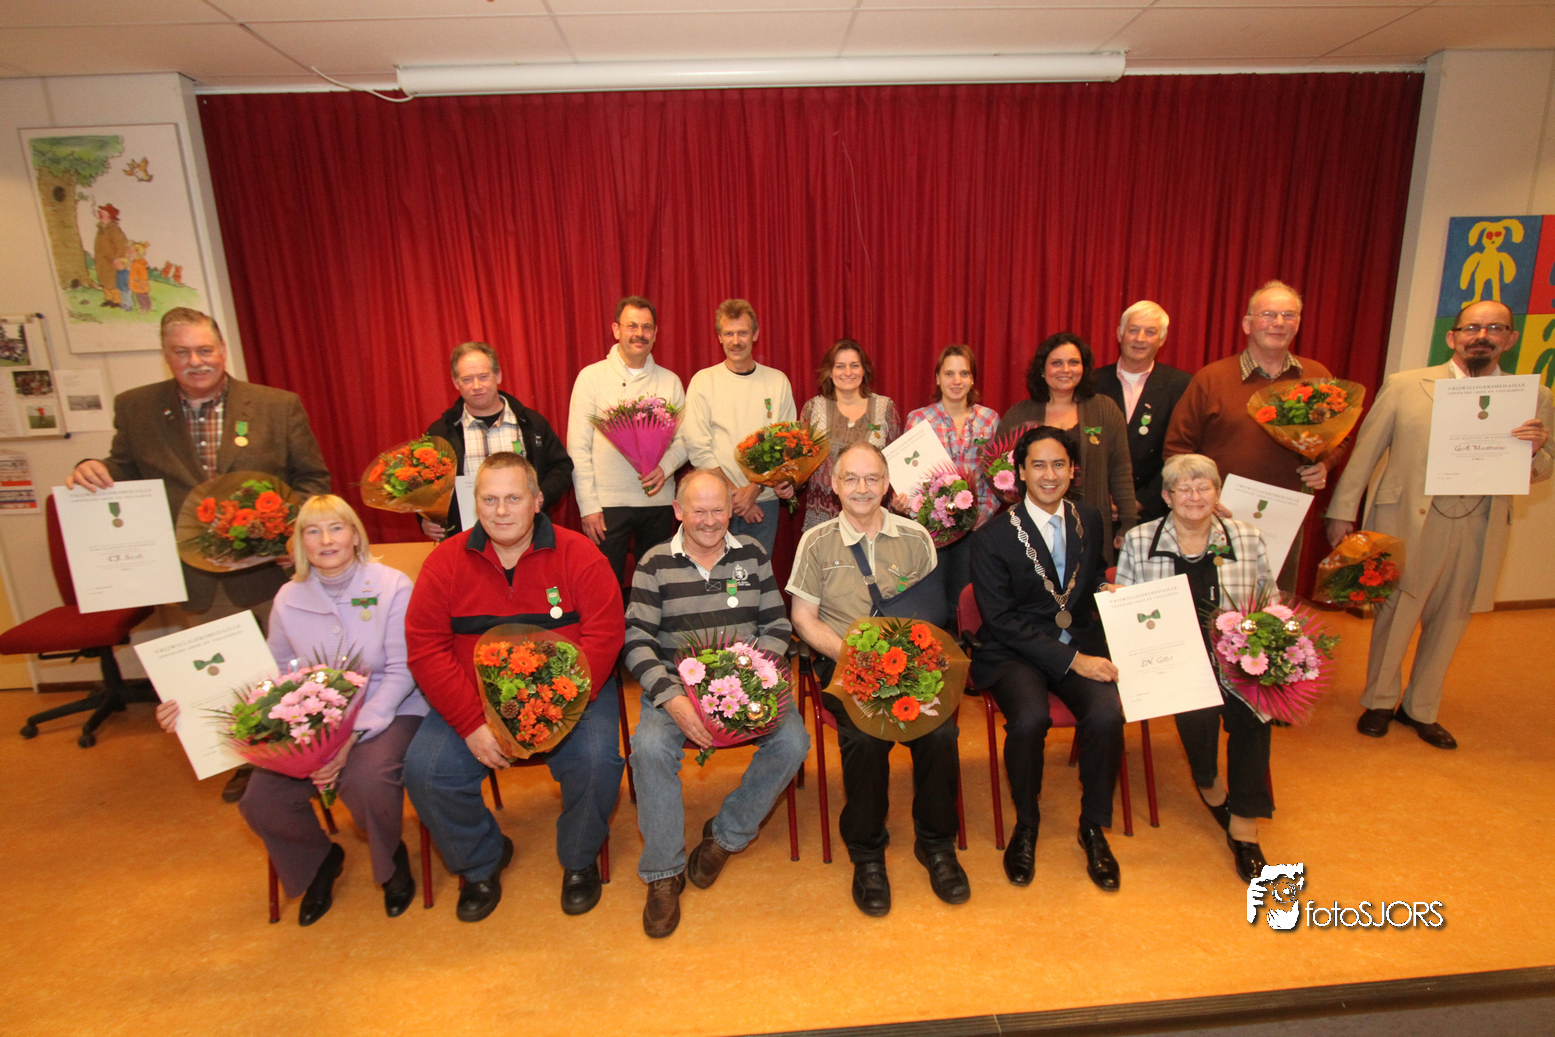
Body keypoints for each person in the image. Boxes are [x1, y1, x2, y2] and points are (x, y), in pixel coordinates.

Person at [66, 306, 331, 803]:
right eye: (182, 352)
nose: (196, 361)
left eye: (204, 349)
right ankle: (251, 764)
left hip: (271, 572)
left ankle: (315, 758)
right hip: (196, 577)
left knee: (290, 671)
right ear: (166, 356)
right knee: (229, 677)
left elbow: (313, 481)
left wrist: (291, 537)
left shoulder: (276, 406)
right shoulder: (137, 409)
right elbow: (120, 471)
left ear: (222, 350)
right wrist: (89, 468)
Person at [156, 495, 428, 924]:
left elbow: (401, 670)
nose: (326, 540)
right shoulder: (288, 597)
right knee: (261, 801)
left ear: (356, 536)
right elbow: (275, 674)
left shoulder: (393, 585)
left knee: (366, 780)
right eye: (312, 531)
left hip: (388, 708)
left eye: (336, 528)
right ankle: (318, 861)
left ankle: (389, 858)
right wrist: (187, 707)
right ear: (301, 544)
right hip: (311, 718)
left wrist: (352, 737)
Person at [403, 453, 624, 922]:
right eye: (489, 500)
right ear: (475, 503)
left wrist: (556, 708)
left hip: (570, 696)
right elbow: (425, 650)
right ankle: (480, 861)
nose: (501, 511)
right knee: (427, 771)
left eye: (513, 498)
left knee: (596, 760)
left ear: (537, 500)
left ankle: (579, 858)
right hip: (474, 700)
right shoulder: (444, 562)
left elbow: (604, 636)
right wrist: (471, 723)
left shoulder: (580, 554)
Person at [1325, 300, 1553, 750]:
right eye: (1471, 327)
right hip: (1408, 517)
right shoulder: (1406, 385)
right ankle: (1379, 700)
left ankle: (1421, 708)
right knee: (1396, 612)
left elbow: (1544, 468)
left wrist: (1536, 449)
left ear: (1510, 339)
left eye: (1495, 328)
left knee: (1452, 617)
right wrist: (1341, 511)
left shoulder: (1533, 397)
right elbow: (1367, 451)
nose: (1482, 336)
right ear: (1453, 337)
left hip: (1479, 522)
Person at [624, 468, 809, 937]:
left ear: (732, 509)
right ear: (678, 511)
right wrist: (672, 700)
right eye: (699, 511)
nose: (709, 521)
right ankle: (663, 872)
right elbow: (637, 640)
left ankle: (726, 835)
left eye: (718, 510)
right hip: (676, 689)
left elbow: (777, 625)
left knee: (793, 741)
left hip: (746, 684)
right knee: (648, 749)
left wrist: (755, 676)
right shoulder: (653, 563)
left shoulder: (753, 554)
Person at [788, 442, 966, 917]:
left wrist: (910, 664)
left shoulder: (916, 537)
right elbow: (803, 618)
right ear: (834, 486)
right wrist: (854, 657)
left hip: (911, 662)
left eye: (872, 479)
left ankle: (936, 843)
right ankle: (867, 852)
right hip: (843, 661)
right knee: (866, 740)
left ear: (887, 485)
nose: (862, 488)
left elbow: (933, 614)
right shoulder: (816, 542)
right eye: (851, 478)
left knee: (940, 734)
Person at [969, 425, 1125, 893]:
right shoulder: (993, 536)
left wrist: (1105, 588)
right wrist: (1074, 660)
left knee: (1107, 714)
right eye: (1038, 465)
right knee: (1030, 719)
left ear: (1073, 470)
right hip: (1014, 652)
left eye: (1059, 464)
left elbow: (1090, 577)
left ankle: (1093, 827)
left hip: (1076, 640)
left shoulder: (1088, 517)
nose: (1049, 475)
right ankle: (1027, 823)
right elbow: (999, 620)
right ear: (1019, 471)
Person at [1115, 454, 1277, 882]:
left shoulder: (1247, 537)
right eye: (1183, 489)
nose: (1194, 496)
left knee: (1254, 719)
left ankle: (1244, 831)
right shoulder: (1140, 540)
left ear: (1217, 493)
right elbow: (1127, 607)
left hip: (1238, 658)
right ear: (1167, 497)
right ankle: (1209, 783)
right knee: (1198, 720)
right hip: (1176, 662)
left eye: (1203, 487)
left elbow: (1270, 600)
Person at [1163, 280, 1347, 589]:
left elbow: (1341, 437)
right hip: (1220, 516)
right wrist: (1199, 497)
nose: (1279, 322)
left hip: (1286, 518)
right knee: (1217, 599)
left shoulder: (1318, 378)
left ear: (1298, 324)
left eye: (1289, 315)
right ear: (1247, 324)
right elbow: (1177, 448)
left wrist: (1325, 464)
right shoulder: (1212, 378)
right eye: (1268, 314)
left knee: (1274, 602)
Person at [568, 295, 688, 586]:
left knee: (657, 586)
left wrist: (666, 468)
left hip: (658, 502)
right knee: (604, 586)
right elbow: (578, 448)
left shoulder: (670, 381)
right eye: (632, 326)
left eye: (647, 327)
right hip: (606, 505)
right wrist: (588, 506)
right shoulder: (591, 378)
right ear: (616, 330)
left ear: (655, 333)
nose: (639, 333)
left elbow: (685, 440)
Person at [997, 332, 1138, 562]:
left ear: (1084, 368)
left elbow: (1121, 471)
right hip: (1033, 528)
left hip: (1090, 528)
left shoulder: (1105, 410)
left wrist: (1129, 523)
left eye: (1074, 362)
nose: (1066, 369)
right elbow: (997, 471)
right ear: (1042, 370)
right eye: (1057, 363)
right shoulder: (1018, 415)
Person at [421, 341, 572, 540]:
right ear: (456, 383)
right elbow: (422, 482)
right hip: (466, 538)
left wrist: (542, 495)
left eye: (483, 377)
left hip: (527, 535)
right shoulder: (440, 432)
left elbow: (561, 467)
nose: (476, 386)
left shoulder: (531, 423)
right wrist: (425, 518)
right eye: (467, 379)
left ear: (498, 376)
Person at [683, 299, 796, 557]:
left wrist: (754, 490)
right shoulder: (703, 382)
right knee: (712, 575)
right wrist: (735, 496)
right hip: (713, 506)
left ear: (755, 334)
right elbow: (698, 448)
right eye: (729, 333)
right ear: (719, 337)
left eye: (742, 333)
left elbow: (786, 447)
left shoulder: (777, 382)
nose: (736, 341)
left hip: (763, 504)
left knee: (755, 576)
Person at [903, 344, 1002, 621]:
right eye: (949, 373)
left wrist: (985, 512)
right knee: (932, 603)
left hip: (974, 528)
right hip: (933, 528)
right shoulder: (919, 419)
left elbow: (998, 476)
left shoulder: (989, 420)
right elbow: (908, 475)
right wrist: (908, 503)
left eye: (964, 373)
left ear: (973, 379)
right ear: (937, 378)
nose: (956, 381)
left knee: (964, 601)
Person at [1093, 301, 1193, 523]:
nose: (1140, 339)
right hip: (1097, 508)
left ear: (1162, 340)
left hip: (1153, 511)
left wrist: (1141, 500)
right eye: (1133, 330)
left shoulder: (1181, 386)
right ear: (1120, 334)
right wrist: (1099, 498)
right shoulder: (1091, 383)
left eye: (1150, 332)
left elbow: (1181, 452)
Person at [798, 338, 900, 531]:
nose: (848, 372)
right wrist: (788, 485)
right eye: (840, 366)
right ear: (830, 372)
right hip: (822, 517)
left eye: (854, 365)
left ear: (864, 370)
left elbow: (895, 465)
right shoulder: (812, 409)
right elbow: (801, 466)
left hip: (871, 515)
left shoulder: (885, 408)